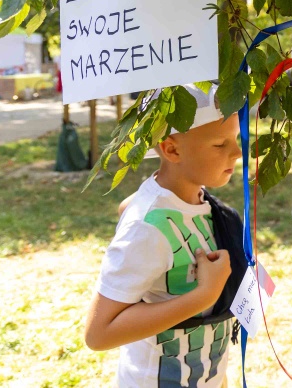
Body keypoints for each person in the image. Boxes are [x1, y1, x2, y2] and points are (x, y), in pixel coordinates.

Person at [85, 84, 243, 387]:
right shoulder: (148, 227)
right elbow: (98, 333)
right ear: (171, 149)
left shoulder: (200, 201)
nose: (237, 152)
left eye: (234, 139)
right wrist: (204, 296)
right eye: (220, 144)